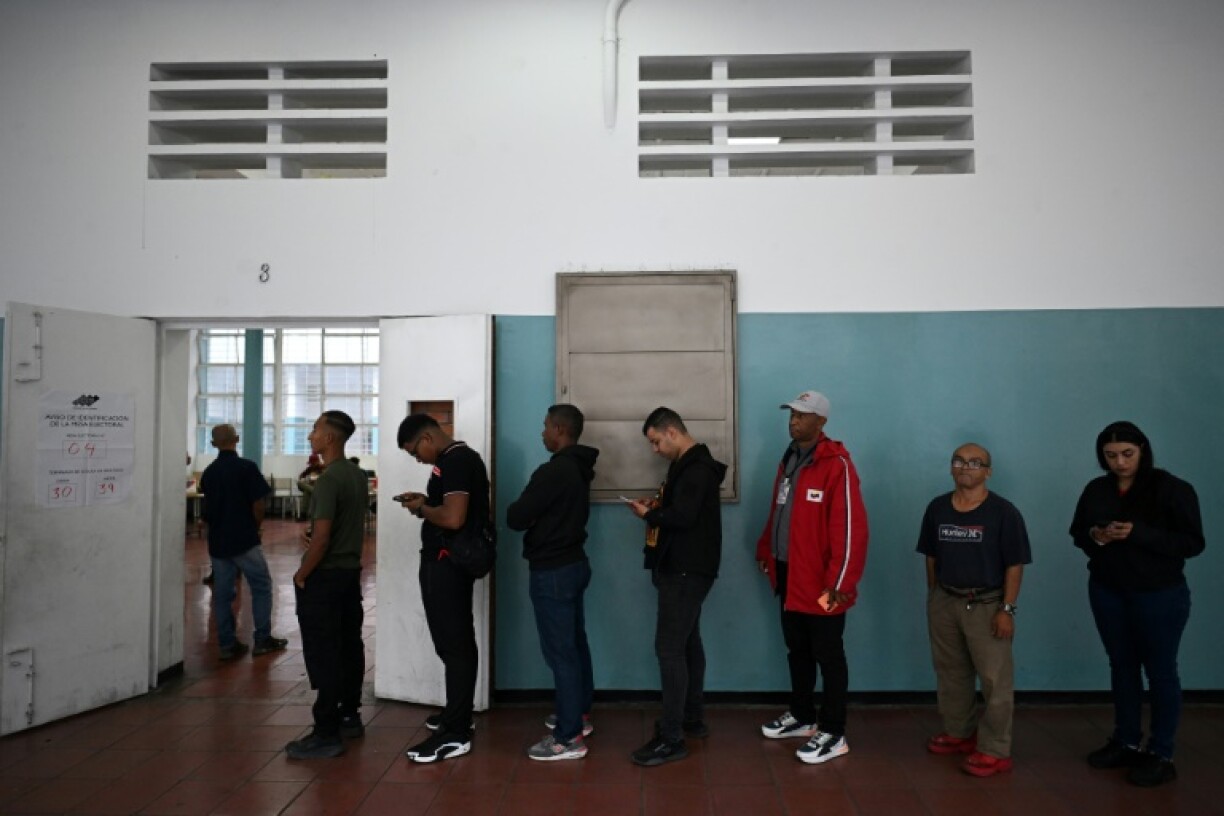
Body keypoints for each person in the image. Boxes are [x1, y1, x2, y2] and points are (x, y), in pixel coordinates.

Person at [1069, 421, 1204, 787]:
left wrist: (1137, 533)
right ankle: (1126, 740)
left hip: (1159, 593)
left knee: (1160, 671)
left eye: (1127, 454)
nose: (1119, 462)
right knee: (1121, 665)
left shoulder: (1171, 489)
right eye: (1110, 456)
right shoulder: (1097, 489)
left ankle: (1161, 752)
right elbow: (1078, 532)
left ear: (1143, 450)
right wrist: (1097, 535)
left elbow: (1192, 542)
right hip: (1108, 589)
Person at [755, 391, 868, 765]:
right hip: (790, 576)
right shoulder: (790, 458)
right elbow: (779, 511)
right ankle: (803, 716)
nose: (794, 421)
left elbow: (851, 531)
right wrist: (766, 550)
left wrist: (840, 585)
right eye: (791, 414)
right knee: (797, 650)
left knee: (829, 656)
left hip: (824, 585)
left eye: (803, 415)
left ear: (821, 422)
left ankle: (833, 732)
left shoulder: (836, 464)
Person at [917, 443, 1030, 778]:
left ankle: (995, 749)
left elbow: (1015, 564)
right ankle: (959, 732)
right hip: (945, 601)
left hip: (987, 604)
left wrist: (1006, 609)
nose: (965, 467)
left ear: (987, 471)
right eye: (959, 461)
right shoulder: (938, 508)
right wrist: (935, 596)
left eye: (974, 462)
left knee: (995, 679)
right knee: (951, 671)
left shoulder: (1004, 512)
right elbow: (930, 555)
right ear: (951, 468)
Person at [626, 407, 726, 767]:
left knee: (669, 650)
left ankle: (671, 738)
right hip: (689, 570)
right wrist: (658, 506)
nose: (654, 450)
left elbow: (683, 518)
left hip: (684, 571)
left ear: (671, 432)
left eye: (655, 441)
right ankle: (691, 718)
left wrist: (649, 515)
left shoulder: (696, 470)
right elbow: (684, 510)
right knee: (687, 643)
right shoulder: (690, 467)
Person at [397, 414, 492, 764]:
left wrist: (422, 507)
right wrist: (426, 500)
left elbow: (453, 518)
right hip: (446, 562)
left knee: (455, 645)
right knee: (454, 643)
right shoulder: (454, 461)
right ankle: (457, 713)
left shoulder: (456, 461)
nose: (417, 458)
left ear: (426, 437)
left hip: (447, 563)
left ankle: (456, 732)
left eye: (414, 452)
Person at [507, 404, 600, 761]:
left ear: (560, 429)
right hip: (574, 564)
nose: (542, 432)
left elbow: (516, 517)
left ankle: (568, 738)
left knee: (561, 652)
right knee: (575, 644)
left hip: (553, 571)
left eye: (545, 426)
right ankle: (578, 714)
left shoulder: (554, 471)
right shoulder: (578, 468)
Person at [284, 411, 369, 760]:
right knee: (350, 645)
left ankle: (325, 732)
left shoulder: (329, 479)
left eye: (316, 430)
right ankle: (350, 714)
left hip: (326, 576)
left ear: (330, 438)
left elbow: (320, 539)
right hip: (349, 573)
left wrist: (302, 574)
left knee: (324, 653)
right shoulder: (356, 474)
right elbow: (340, 525)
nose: (310, 437)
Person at [198, 424, 288, 661]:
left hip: (218, 542)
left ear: (213, 443)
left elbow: (207, 507)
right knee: (261, 587)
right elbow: (258, 504)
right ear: (237, 439)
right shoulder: (246, 468)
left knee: (223, 593)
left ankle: (227, 645)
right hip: (244, 539)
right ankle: (262, 640)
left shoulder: (209, 472)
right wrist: (256, 527)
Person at [297, 453, 326, 519]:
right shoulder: (309, 469)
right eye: (311, 464)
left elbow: (325, 478)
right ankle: (314, 491)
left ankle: (303, 514)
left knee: (306, 493)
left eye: (312, 463)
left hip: (319, 487)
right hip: (312, 488)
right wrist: (306, 479)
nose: (311, 465)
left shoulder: (323, 467)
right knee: (300, 483)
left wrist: (315, 477)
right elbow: (301, 476)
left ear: (317, 462)